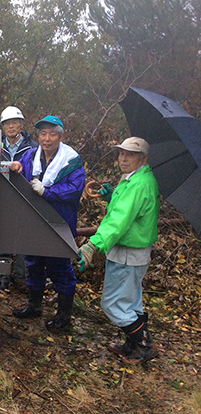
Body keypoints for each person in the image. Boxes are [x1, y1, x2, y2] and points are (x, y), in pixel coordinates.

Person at [78, 137, 160, 364]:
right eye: (121, 153)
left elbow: (119, 221)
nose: (123, 158)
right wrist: (111, 196)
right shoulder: (134, 180)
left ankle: (143, 345)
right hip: (131, 251)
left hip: (128, 253)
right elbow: (125, 210)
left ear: (142, 158)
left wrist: (93, 245)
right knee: (132, 301)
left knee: (112, 304)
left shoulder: (138, 185)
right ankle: (133, 342)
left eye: (130, 155)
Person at [9, 115, 85, 330]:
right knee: (33, 263)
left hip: (58, 222)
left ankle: (63, 316)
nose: (47, 138)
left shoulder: (71, 161)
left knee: (60, 267)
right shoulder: (31, 155)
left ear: (60, 136)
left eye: (52, 133)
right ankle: (34, 306)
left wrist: (48, 192)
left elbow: (75, 189)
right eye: (43, 133)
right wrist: (15, 166)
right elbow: (20, 170)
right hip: (34, 221)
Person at [0, 106, 38, 290]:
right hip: (3, 198)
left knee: (22, 238)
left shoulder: (33, 148)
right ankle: (2, 277)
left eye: (14, 122)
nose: (11, 126)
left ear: (21, 124)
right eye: (7, 123)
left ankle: (21, 277)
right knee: (2, 237)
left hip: (25, 198)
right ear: (3, 126)